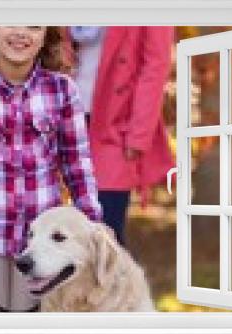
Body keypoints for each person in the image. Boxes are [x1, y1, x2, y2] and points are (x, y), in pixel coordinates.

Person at [0, 26, 102, 312]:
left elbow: (77, 164)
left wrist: (92, 225)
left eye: (34, 26)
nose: (21, 33)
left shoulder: (62, 89)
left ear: (45, 37)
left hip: (43, 239)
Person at [66, 26, 174, 245]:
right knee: (60, 231)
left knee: (105, 231)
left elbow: (155, 64)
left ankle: (112, 280)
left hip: (114, 125)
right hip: (65, 116)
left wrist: (139, 134)